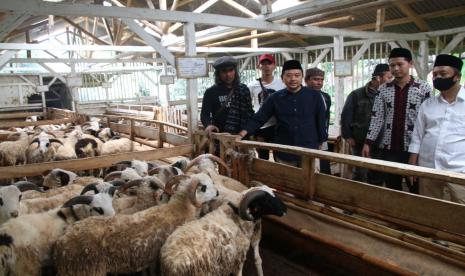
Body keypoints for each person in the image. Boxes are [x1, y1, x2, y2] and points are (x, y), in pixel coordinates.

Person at [362, 48, 432, 193]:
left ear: (410, 64)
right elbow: (377, 117)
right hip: (389, 149)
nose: (396, 68)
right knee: (392, 187)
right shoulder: (383, 89)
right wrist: (368, 142)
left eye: (400, 64)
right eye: (392, 65)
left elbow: (428, 119)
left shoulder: (423, 87)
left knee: (416, 187)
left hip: (414, 149)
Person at [239, 60, 327, 167]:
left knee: (311, 182)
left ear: (302, 77)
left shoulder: (315, 96)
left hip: (309, 149)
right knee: (286, 182)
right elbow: (260, 117)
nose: (293, 79)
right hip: (284, 150)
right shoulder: (275, 98)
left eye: (297, 75)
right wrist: (243, 133)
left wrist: (322, 141)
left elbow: (321, 119)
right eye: (289, 76)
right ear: (282, 78)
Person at [408, 54, 465, 204]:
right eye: (435, 74)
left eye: (443, 74)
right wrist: (412, 165)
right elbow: (417, 136)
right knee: (429, 207)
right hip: (428, 167)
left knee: (460, 208)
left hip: (459, 169)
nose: (437, 77)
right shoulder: (428, 104)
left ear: (456, 76)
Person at [341, 64, 392, 184]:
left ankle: (373, 200)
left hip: (382, 143)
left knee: (378, 173)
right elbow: (345, 116)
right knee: (360, 172)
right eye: (389, 77)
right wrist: (347, 136)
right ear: (378, 78)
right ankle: (357, 200)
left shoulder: (389, 95)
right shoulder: (356, 95)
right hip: (360, 141)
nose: (391, 80)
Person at [200, 56, 254, 137]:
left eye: (231, 70)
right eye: (224, 71)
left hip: (241, 135)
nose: (228, 74)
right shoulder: (211, 92)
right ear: (218, 73)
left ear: (235, 71)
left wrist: (248, 130)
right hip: (221, 136)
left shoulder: (243, 89)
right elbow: (205, 114)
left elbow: (249, 113)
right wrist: (208, 125)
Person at [247, 54, 285, 160]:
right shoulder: (252, 85)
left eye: (269, 63)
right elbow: (248, 105)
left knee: (280, 155)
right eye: (263, 64)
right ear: (258, 66)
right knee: (262, 156)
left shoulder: (281, 83)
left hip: (277, 125)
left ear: (274, 66)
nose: (266, 66)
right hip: (261, 126)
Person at [305, 68, 331, 174]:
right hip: (306, 139)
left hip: (322, 137)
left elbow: (326, 118)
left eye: (321, 80)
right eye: (315, 79)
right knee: (308, 168)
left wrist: (323, 135)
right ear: (307, 80)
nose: (319, 82)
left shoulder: (325, 97)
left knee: (324, 168)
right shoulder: (302, 96)